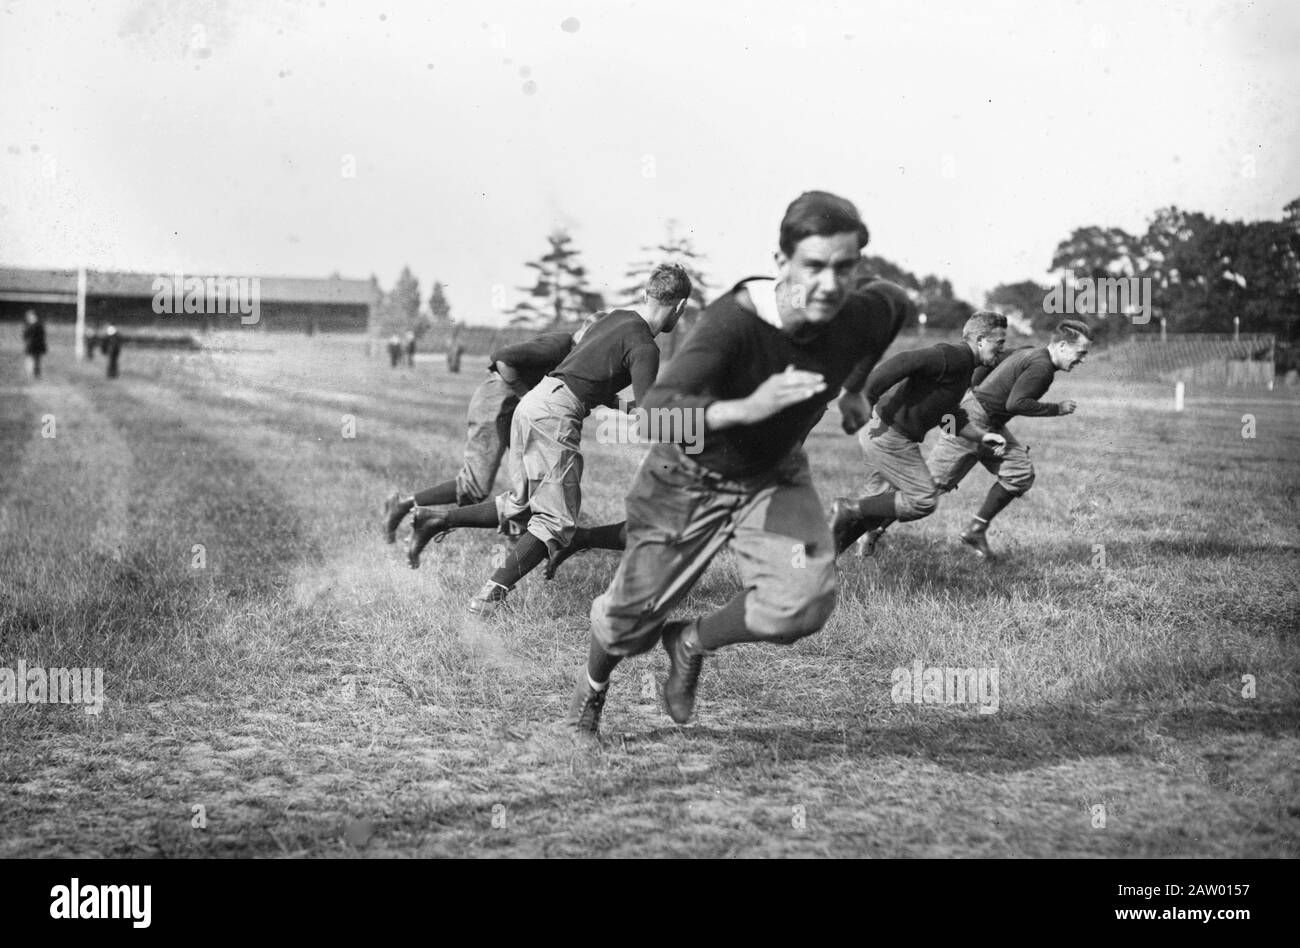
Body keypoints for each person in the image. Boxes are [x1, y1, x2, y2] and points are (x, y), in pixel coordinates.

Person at [564, 191, 913, 739]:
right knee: (626, 627)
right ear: (782, 265)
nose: (828, 284)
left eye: (845, 268)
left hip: (773, 476)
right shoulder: (733, 325)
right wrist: (748, 407)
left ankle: (689, 642)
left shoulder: (863, 310)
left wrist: (855, 390)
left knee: (801, 602)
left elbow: (892, 306)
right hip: (686, 480)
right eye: (813, 267)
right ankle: (592, 697)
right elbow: (653, 415)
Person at [407, 264, 692, 618]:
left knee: (522, 505)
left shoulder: (616, 319)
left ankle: (436, 519)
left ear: (647, 294)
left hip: (533, 402)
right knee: (556, 521)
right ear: (679, 308)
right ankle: (488, 597)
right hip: (556, 415)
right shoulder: (646, 347)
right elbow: (651, 419)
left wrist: (626, 406)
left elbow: (587, 377)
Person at [381, 313, 602, 545]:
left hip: (514, 407)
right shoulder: (560, 345)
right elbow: (502, 359)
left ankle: (517, 540)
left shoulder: (574, 354)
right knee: (473, 486)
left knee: (529, 481)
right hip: (498, 400)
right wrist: (525, 395)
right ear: (590, 335)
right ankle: (404, 504)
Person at [828, 310, 1009, 556]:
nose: (1001, 348)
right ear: (980, 340)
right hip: (889, 435)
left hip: (886, 433)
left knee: (875, 508)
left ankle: (822, 557)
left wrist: (981, 436)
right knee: (922, 499)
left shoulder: (965, 368)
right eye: (999, 342)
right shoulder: (953, 356)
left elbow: (947, 417)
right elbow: (904, 361)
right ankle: (846, 508)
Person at [916, 319, 1093, 560]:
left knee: (1019, 472)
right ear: (1062, 346)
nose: (1082, 360)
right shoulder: (1041, 368)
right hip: (973, 420)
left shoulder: (1029, 351)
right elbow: (1016, 404)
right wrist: (1057, 409)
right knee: (929, 488)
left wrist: (973, 392)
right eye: (1080, 353)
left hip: (988, 421)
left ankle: (975, 529)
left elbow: (991, 363)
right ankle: (871, 523)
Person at [22, 310, 46, 379]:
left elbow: (42, 336)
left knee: (36, 361)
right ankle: (31, 374)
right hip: (31, 346)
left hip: (36, 346)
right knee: (31, 360)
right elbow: (25, 336)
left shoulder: (38, 325)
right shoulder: (29, 326)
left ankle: (35, 374)